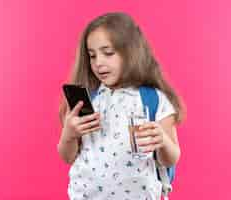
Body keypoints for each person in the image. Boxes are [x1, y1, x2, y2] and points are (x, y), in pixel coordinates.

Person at [58, 12, 185, 200]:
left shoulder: (153, 99)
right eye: (92, 56)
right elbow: (68, 157)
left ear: (131, 51)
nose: (98, 63)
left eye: (108, 53)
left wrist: (162, 141)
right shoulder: (87, 100)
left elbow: (170, 158)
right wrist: (69, 134)